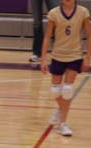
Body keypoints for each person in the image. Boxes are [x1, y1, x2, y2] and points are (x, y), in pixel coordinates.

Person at [40, 0, 90, 136]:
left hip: (75, 55)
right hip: (57, 55)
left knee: (67, 90)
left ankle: (62, 124)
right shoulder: (53, 13)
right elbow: (47, 37)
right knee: (55, 91)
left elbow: (89, 35)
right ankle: (61, 109)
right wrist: (43, 58)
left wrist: (88, 57)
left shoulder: (83, 12)